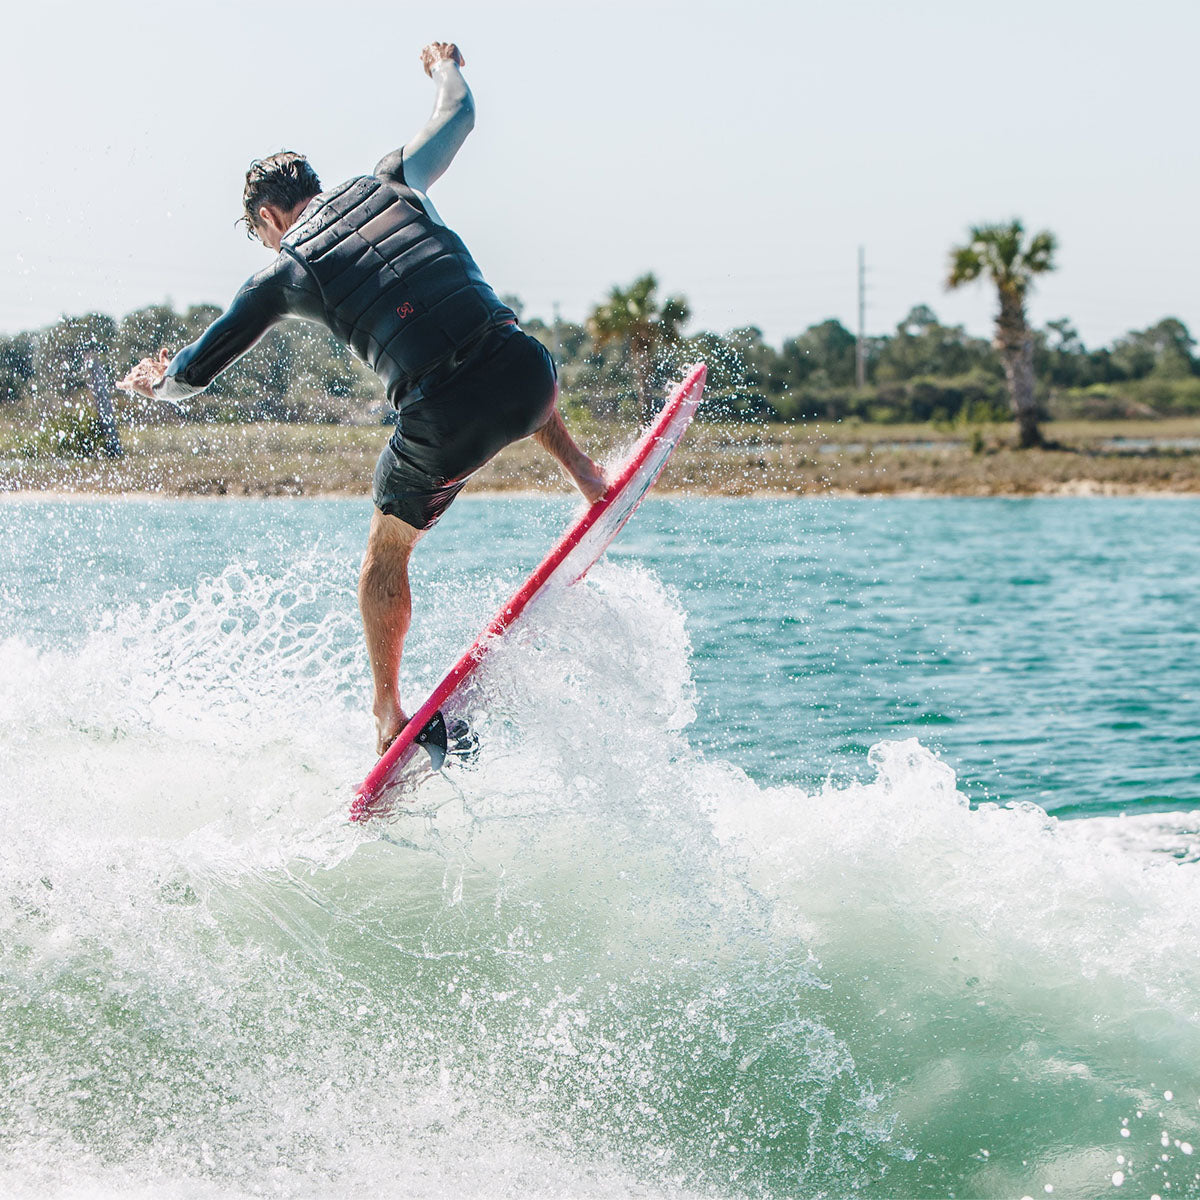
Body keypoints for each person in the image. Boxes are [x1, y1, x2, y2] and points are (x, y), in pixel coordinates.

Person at [119, 41, 608, 756]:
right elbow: (460, 112)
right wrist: (444, 64)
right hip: (530, 379)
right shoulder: (394, 178)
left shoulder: (284, 271)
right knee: (494, 336)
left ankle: (386, 713)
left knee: (387, 547)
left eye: (261, 235)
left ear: (270, 218)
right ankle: (587, 474)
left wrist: (156, 382)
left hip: (445, 422)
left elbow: (194, 374)